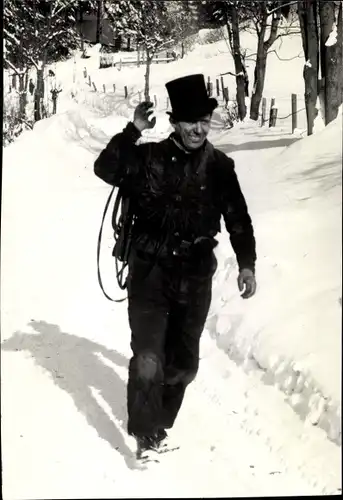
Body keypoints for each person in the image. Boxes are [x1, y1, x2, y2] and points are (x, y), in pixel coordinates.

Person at [94, 74, 257, 457]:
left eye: (204, 120)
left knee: (184, 366)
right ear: (174, 122)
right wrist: (132, 131)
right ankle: (146, 434)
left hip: (196, 275)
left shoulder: (220, 167)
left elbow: (238, 219)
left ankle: (158, 424)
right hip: (150, 272)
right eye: (189, 121)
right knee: (149, 358)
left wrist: (247, 264)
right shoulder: (148, 160)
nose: (198, 128)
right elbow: (105, 168)